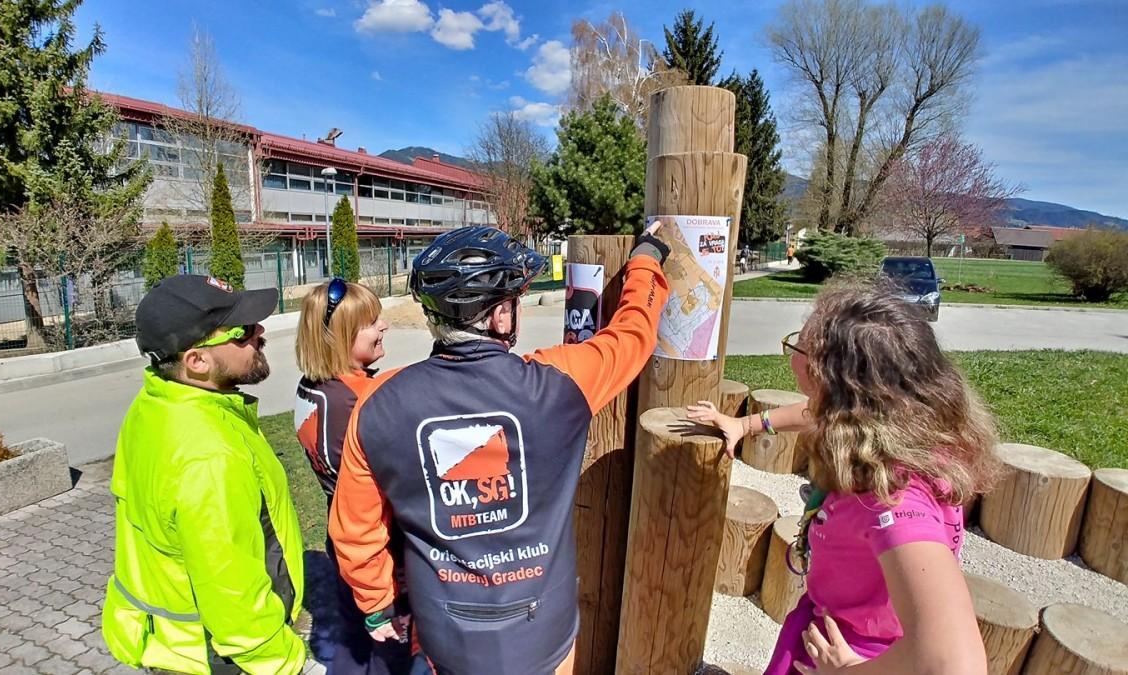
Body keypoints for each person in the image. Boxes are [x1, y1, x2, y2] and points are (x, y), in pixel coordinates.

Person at [329, 225, 670, 674]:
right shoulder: (561, 382)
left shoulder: (377, 404)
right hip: (541, 636)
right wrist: (646, 258)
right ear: (500, 318)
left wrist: (377, 604)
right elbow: (632, 335)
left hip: (446, 639)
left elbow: (355, 530)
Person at [688, 282, 999, 674]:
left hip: (858, 653)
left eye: (798, 350)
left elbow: (956, 665)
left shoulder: (895, 500)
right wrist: (747, 423)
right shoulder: (896, 424)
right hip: (840, 628)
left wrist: (845, 671)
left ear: (832, 379)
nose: (791, 357)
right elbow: (819, 412)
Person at [102, 275, 315, 675]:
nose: (260, 333)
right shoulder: (209, 457)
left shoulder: (156, 404)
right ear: (197, 361)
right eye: (242, 332)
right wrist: (285, 664)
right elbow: (231, 590)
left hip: (174, 642)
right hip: (216, 657)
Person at [293, 278, 415, 674]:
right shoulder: (356, 404)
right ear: (338, 337)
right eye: (371, 323)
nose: (384, 327)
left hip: (341, 535)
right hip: (378, 548)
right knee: (389, 649)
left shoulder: (313, 388)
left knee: (353, 637)